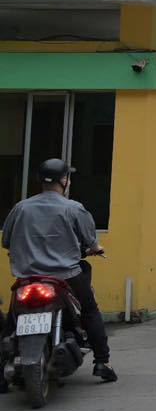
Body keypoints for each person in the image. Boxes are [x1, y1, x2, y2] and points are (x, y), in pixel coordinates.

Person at [1, 158, 117, 382]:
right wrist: (95, 249)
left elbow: (6, 241)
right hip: (65, 276)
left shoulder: (21, 208)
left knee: (12, 320)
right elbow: (90, 241)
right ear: (64, 181)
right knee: (90, 311)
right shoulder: (73, 208)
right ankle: (102, 362)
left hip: (27, 278)